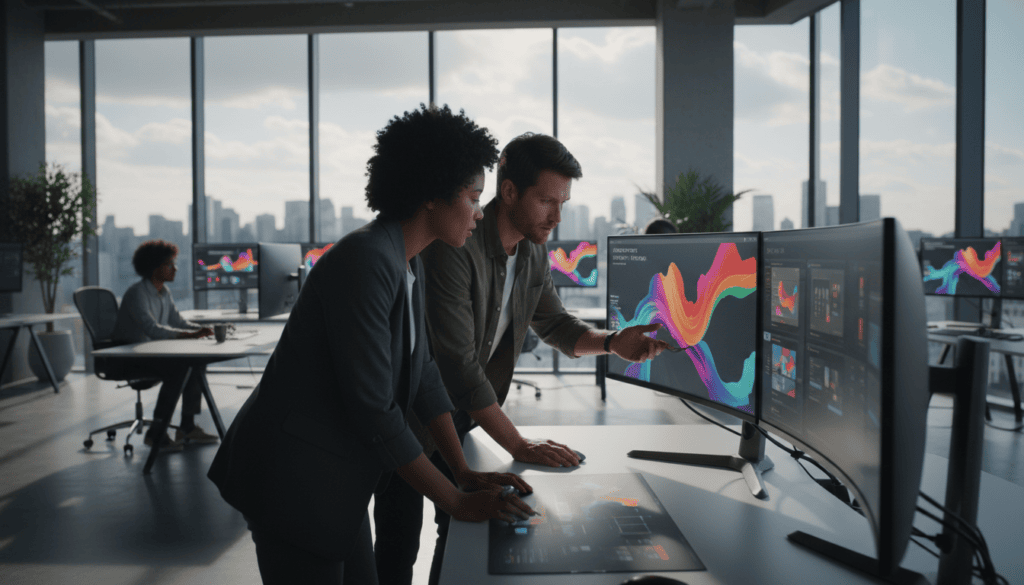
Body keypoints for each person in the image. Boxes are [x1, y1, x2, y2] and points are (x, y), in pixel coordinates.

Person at [207, 104, 536, 585]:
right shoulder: (365, 261)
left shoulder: (409, 258)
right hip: (292, 478)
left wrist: (461, 469)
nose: (480, 212)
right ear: (430, 196)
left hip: (335, 476)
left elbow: (423, 372)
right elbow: (376, 411)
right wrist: (454, 501)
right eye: (472, 196)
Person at [373, 132, 670, 585]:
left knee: (457, 530)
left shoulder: (533, 250)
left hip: (463, 418)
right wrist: (518, 445)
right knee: (398, 546)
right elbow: (458, 366)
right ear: (508, 191)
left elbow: (556, 325)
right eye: (547, 201)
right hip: (412, 420)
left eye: (564, 203)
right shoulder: (454, 245)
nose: (557, 217)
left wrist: (613, 342)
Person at [111, 239, 218, 451]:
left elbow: (178, 321)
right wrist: (191, 335)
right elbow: (152, 329)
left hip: (151, 353)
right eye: (170, 264)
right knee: (179, 369)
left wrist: (205, 330)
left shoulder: (163, 292)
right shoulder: (137, 294)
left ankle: (186, 426)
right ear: (155, 267)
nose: (175, 268)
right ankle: (156, 433)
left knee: (195, 364)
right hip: (129, 358)